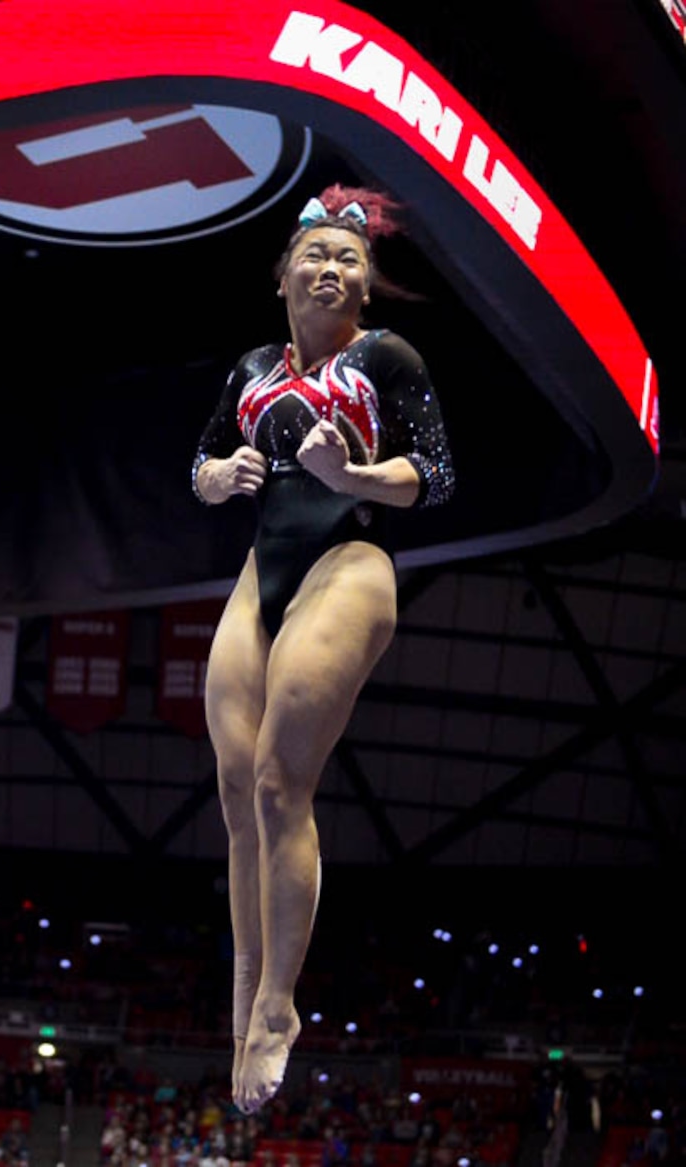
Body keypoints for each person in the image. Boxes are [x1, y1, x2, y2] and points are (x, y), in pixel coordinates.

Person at [193, 183, 455, 1115]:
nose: (332, 268)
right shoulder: (255, 366)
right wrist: (220, 476)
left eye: (350, 259)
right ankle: (245, 979)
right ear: (284, 278)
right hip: (264, 568)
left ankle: (277, 1007)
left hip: (350, 561)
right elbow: (205, 461)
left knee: (276, 781)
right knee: (232, 788)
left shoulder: (386, 358)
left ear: (367, 290)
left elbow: (436, 475)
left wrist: (351, 473)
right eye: (316, 255)